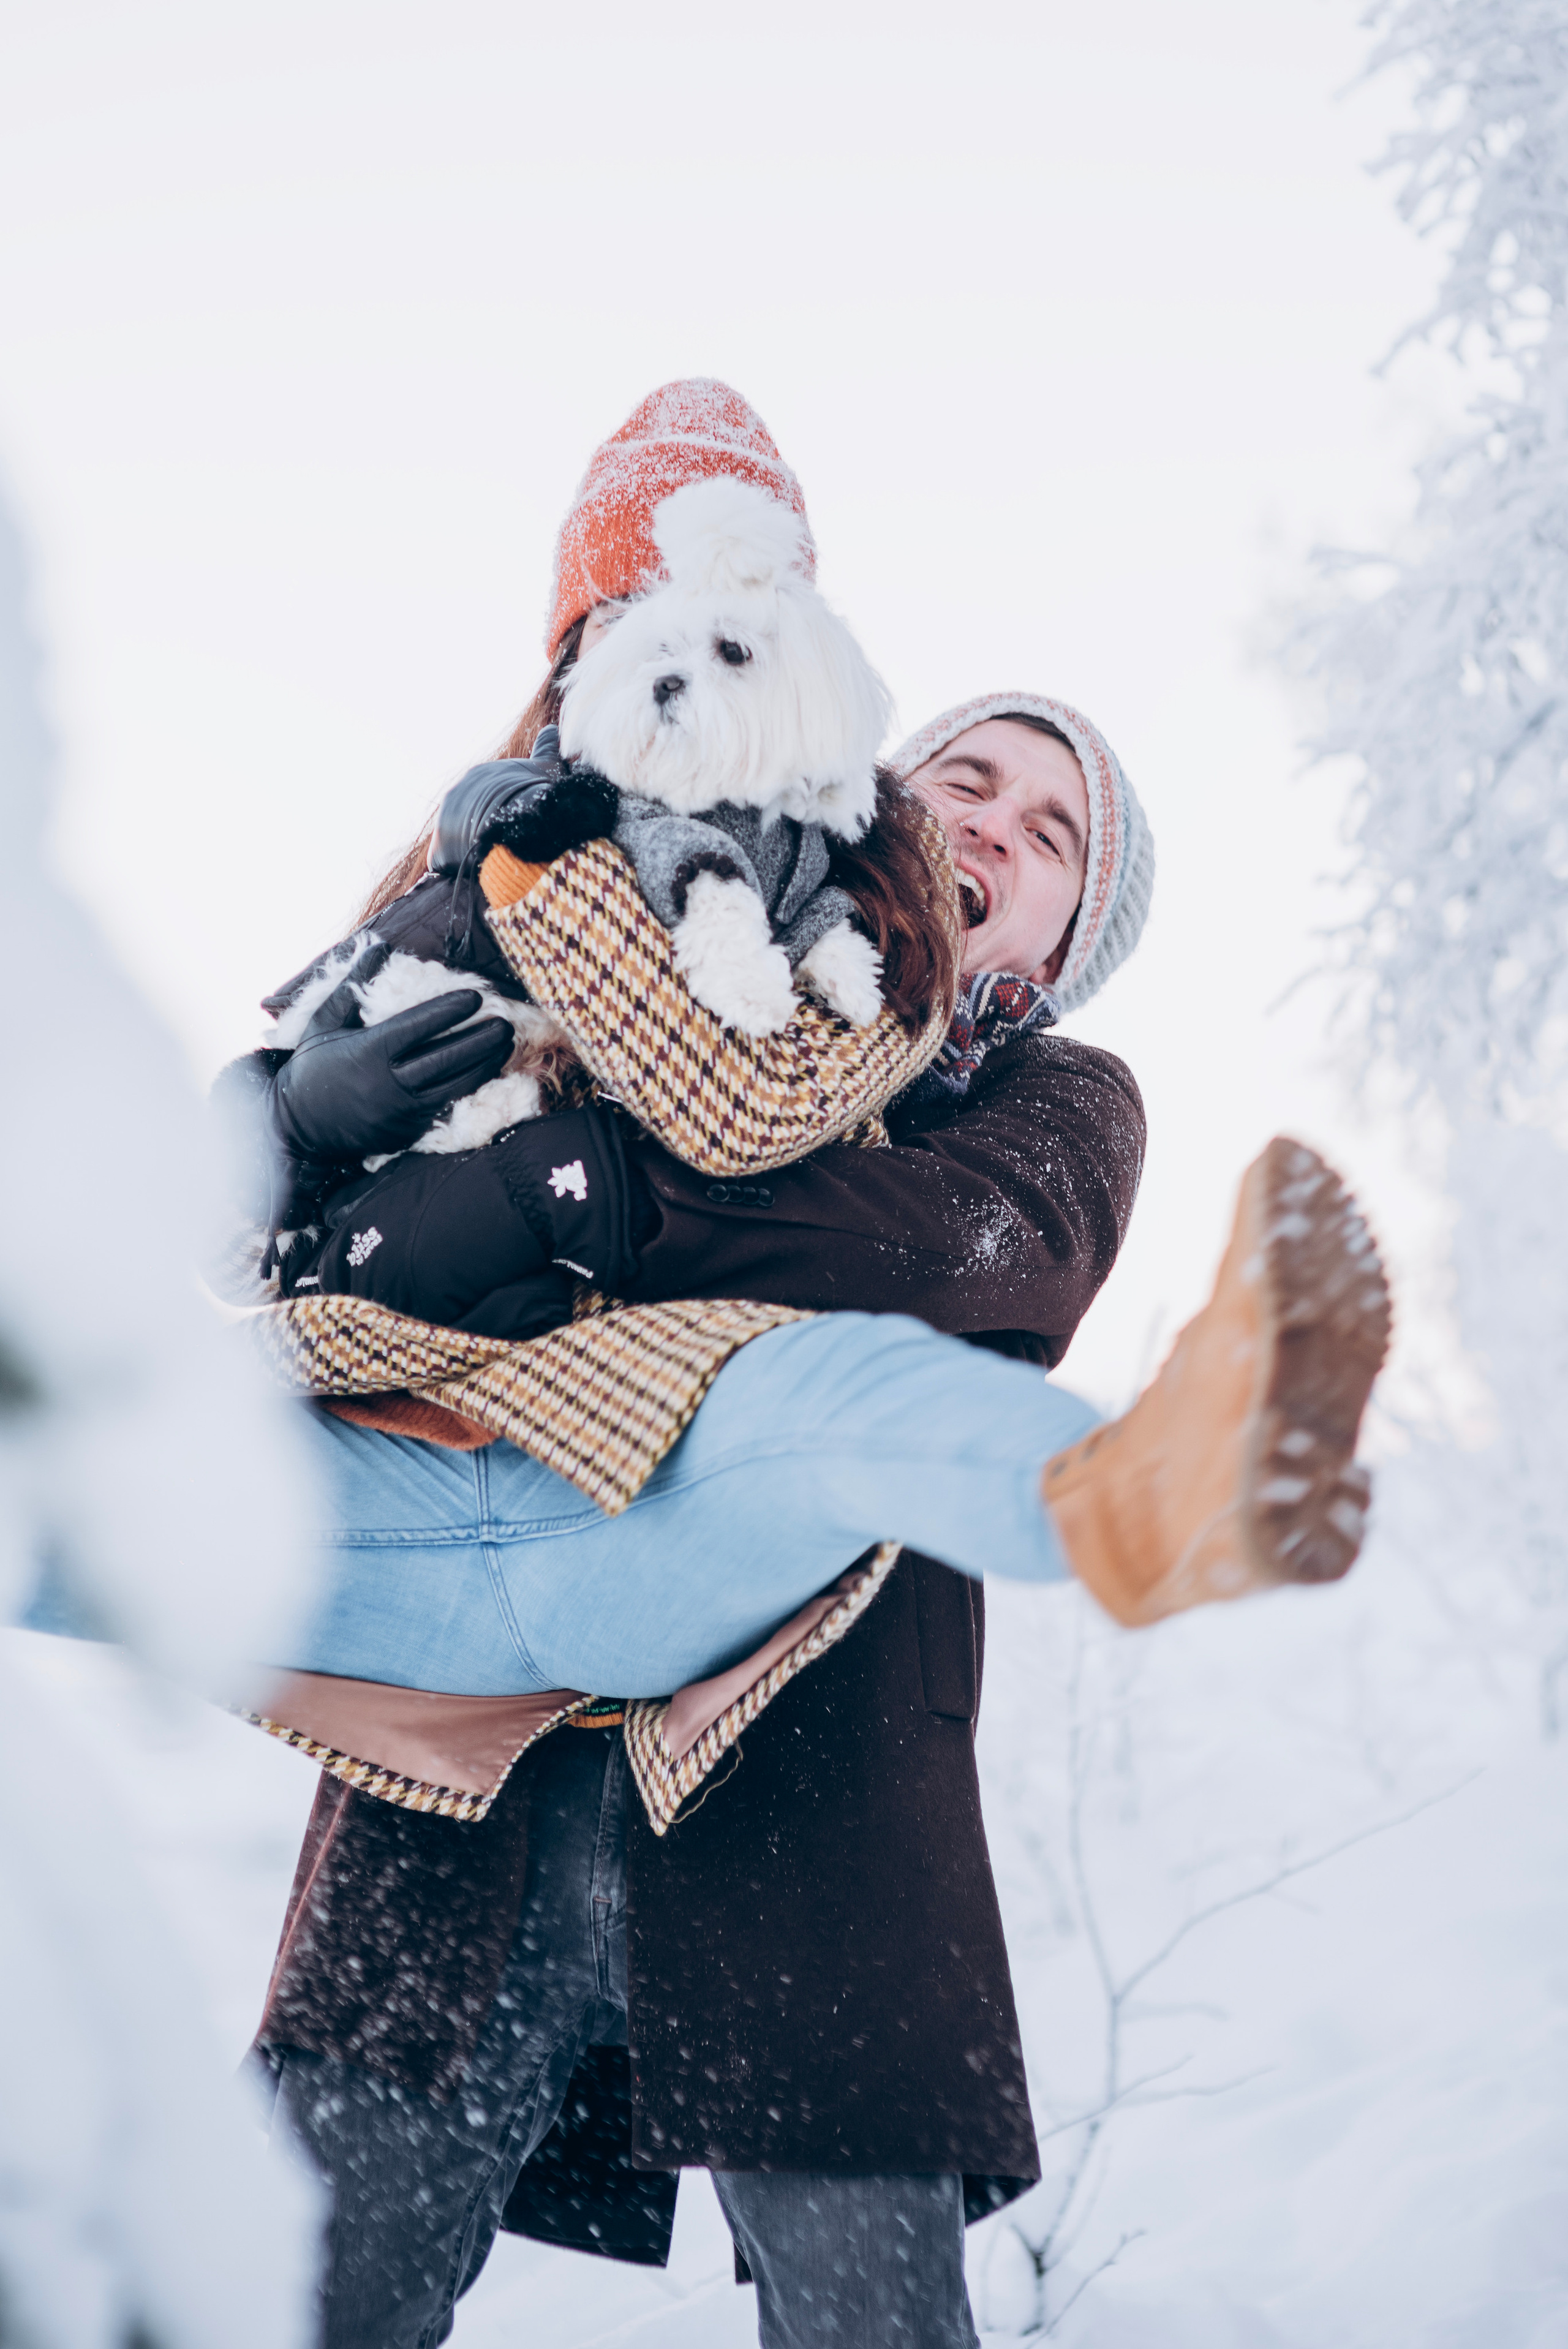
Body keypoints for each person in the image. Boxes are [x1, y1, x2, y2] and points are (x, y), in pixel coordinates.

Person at [240, 382, 1385, 2349]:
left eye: (1051, 840)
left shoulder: (1060, 1102)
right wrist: (291, 1104)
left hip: (816, 1830)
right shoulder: (669, 906)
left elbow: (927, 1260)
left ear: (1066, 933)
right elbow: (368, 1078)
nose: (997, 835)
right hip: (469, 1797)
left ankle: (1167, 1477)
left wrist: (569, 1183)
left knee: (871, 2320)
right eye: (975, 783)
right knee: (295, 2292)